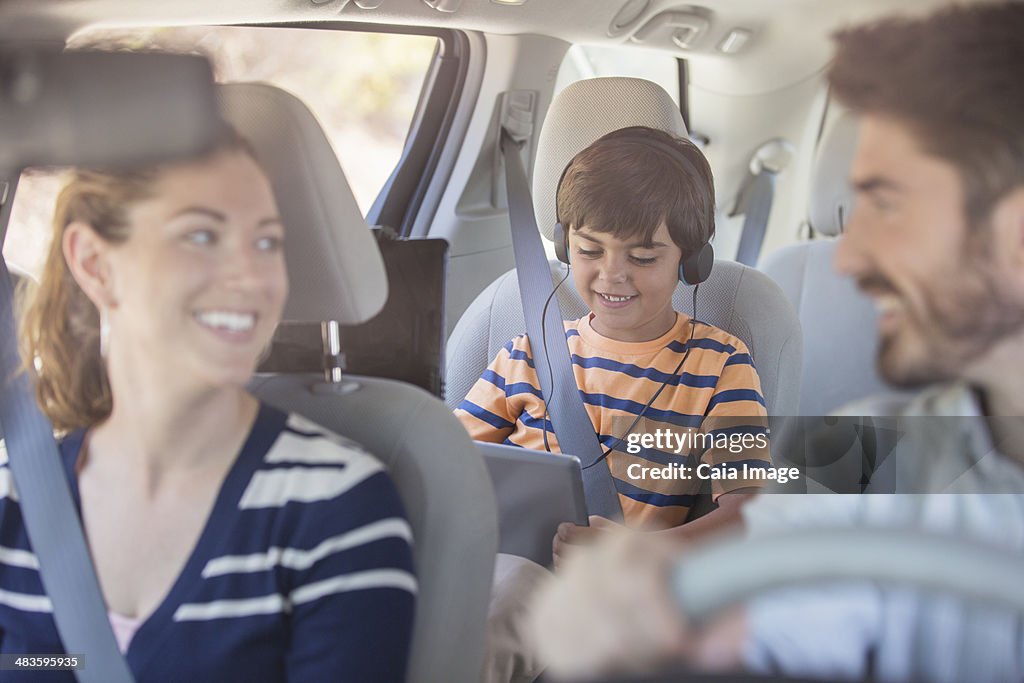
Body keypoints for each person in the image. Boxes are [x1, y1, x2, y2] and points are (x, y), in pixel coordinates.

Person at [527, 3, 1024, 682]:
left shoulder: (730, 366)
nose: (846, 261)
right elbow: (779, 596)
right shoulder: (876, 447)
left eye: (888, 203)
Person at [3, 130, 416, 681]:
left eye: (267, 242)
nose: (251, 277)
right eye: (200, 235)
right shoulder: (16, 499)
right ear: (96, 264)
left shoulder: (337, 509)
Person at [456, 126, 772, 549]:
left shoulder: (720, 364)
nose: (612, 274)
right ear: (565, 247)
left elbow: (748, 512)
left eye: (642, 257)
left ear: (692, 261)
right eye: (589, 251)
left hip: (616, 584)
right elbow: (448, 459)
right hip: (504, 556)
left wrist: (641, 551)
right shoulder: (529, 353)